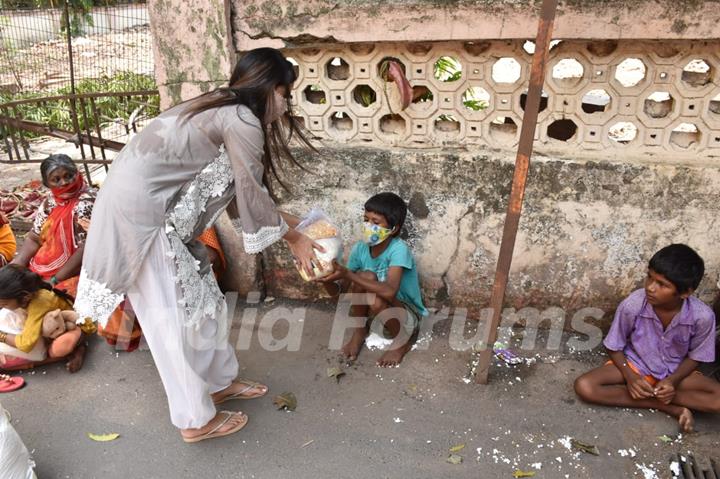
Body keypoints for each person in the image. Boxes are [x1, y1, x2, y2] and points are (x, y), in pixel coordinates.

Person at [73, 48, 322, 443]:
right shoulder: (241, 117)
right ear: (272, 88)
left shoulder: (225, 108)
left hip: (163, 220)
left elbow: (245, 195)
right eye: (286, 94)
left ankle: (219, 382)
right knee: (171, 321)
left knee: (204, 305)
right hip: (143, 223)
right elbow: (250, 193)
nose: (286, 103)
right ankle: (194, 421)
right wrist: (295, 239)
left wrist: (297, 227)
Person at [574, 244, 719, 432]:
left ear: (685, 292)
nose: (650, 287)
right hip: (637, 364)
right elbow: (614, 346)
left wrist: (672, 381)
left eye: (662, 284)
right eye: (649, 277)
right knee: (585, 386)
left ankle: (656, 395)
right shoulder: (634, 304)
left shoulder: (702, 316)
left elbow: (697, 356)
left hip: (677, 371)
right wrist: (631, 377)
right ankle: (663, 405)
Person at [318, 192, 428, 367]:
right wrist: (327, 281)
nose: (368, 226)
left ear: (394, 228)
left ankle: (402, 343)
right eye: (366, 219)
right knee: (367, 279)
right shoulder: (360, 249)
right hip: (377, 315)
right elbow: (341, 296)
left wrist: (348, 274)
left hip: (404, 315)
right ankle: (360, 331)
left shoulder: (398, 249)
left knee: (373, 295)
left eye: (376, 223)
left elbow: (390, 291)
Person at [11, 154, 96, 296]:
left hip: (77, 269)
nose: (63, 183)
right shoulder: (50, 202)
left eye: (68, 176)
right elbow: (34, 238)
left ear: (77, 173)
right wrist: (15, 267)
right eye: (56, 180)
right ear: (47, 184)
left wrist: (55, 280)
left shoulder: (86, 202)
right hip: (46, 267)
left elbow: (86, 248)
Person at [0, 265, 89, 372]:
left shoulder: (38, 305)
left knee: (57, 349)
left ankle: (77, 348)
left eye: (4, 304)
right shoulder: (26, 295)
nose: (2, 306)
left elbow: (25, 344)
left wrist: (2, 336)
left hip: (66, 328)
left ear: (25, 296)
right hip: (41, 327)